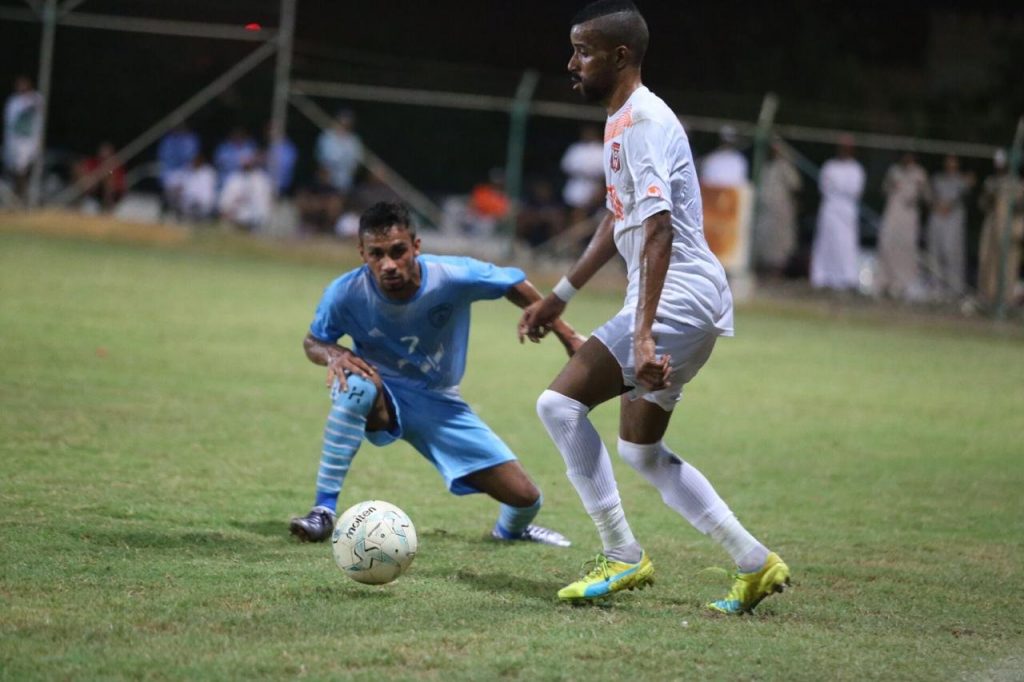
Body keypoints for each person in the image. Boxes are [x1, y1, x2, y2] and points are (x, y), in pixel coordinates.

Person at [518, 0, 790, 614]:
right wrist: (559, 296)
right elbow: (619, 219)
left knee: (558, 406)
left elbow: (659, 229)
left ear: (620, 56)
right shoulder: (625, 119)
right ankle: (754, 562)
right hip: (691, 300)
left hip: (676, 298)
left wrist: (642, 337)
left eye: (583, 52)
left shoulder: (641, 121)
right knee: (640, 449)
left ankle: (621, 553)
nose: (571, 63)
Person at [291, 201, 585, 548]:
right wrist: (334, 353)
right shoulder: (345, 293)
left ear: (416, 246)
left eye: (398, 251)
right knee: (355, 386)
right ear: (362, 253)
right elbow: (313, 341)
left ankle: (510, 531)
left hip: (440, 403)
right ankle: (323, 511)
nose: (388, 264)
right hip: (382, 391)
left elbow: (513, 283)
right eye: (376, 254)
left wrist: (568, 336)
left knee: (525, 498)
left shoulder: (452, 275)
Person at [810, 135, 865, 291]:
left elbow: (855, 190)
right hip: (830, 209)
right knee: (826, 243)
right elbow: (824, 186)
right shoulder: (829, 166)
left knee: (845, 245)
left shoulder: (856, 169)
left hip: (846, 211)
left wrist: (839, 188)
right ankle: (822, 277)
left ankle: (846, 278)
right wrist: (839, 189)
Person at [876, 152, 930, 300]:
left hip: (909, 217)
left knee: (907, 248)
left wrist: (920, 189)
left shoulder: (919, 173)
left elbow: (927, 197)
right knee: (887, 244)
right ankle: (885, 283)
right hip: (892, 214)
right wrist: (891, 185)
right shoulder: (894, 171)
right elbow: (884, 189)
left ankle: (904, 284)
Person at [977, 149, 1024, 308]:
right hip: (992, 226)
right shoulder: (991, 182)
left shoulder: (1018, 184)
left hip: (1011, 228)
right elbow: (983, 204)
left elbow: (1019, 208)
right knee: (988, 261)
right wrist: (990, 196)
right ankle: (987, 298)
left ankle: (1006, 301)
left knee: (1009, 264)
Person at [927, 154, 974, 298]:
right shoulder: (938, 178)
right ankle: (936, 287)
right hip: (938, 216)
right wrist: (937, 205)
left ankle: (954, 288)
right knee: (935, 251)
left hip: (953, 219)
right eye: (948, 162)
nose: (950, 165)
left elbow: (967, 189)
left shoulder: (961, 180)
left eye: (953, 162)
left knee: (951, 251)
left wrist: (950, 205)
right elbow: (930, 196)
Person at [753, 139, 802, 277]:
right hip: (765, 212)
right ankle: (765, 269)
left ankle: (777, 272)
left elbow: (795, 185)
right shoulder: (766, 167)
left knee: (780, 243)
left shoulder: (785, 167)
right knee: (764, 240)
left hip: (781, 212)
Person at [3, 75, 43, 201]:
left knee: (27, 168)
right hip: (16, 141)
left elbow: (38, 112)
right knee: (16, 169)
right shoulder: (13, 102)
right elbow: (9, 123)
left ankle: (24, 194)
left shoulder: (36, 98)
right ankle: (18, 194)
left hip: (30, 141)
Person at [560, 125, 606, 226]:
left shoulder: (601, 148)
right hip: (576, 183)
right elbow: (565, 166)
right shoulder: (576, 148)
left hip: (595, 184)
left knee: (585, 214)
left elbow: (604, 170)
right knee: (572, 212)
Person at [217, 152, 273, 231]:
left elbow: (265, 200)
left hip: (255, 219)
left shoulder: (261, 179)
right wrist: (227, 210)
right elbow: (226, 199)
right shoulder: (234, 178)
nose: (247, 164)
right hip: (235, 217)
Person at [315, 108, 363, 196]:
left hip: (345, 183)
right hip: (326, 182)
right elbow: (322, 162)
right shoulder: (326, 137)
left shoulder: (354, 141)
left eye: (347, 122)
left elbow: (355, 165)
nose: (344, 124)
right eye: (342, 121)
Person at [157, 123, 200, 210]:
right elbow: (163, 157)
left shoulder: (191, 140)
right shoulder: (168, 140)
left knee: (191, 184)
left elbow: (192, 159)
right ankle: (169, 206)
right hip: (170, 170)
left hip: (187, 171)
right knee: (169, 182)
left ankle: (183, 209)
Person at [74, 141, 126, 212]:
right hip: (94, 191)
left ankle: (107, 207)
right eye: (103, 151)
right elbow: (84, 171)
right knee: (79, 170)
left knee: (108, 176)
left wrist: (100, 176)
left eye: (107, 152)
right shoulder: (94, 162)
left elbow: (117, 183)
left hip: (113, 194)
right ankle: (77, 201)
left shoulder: (115, 165)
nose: (104, 154)